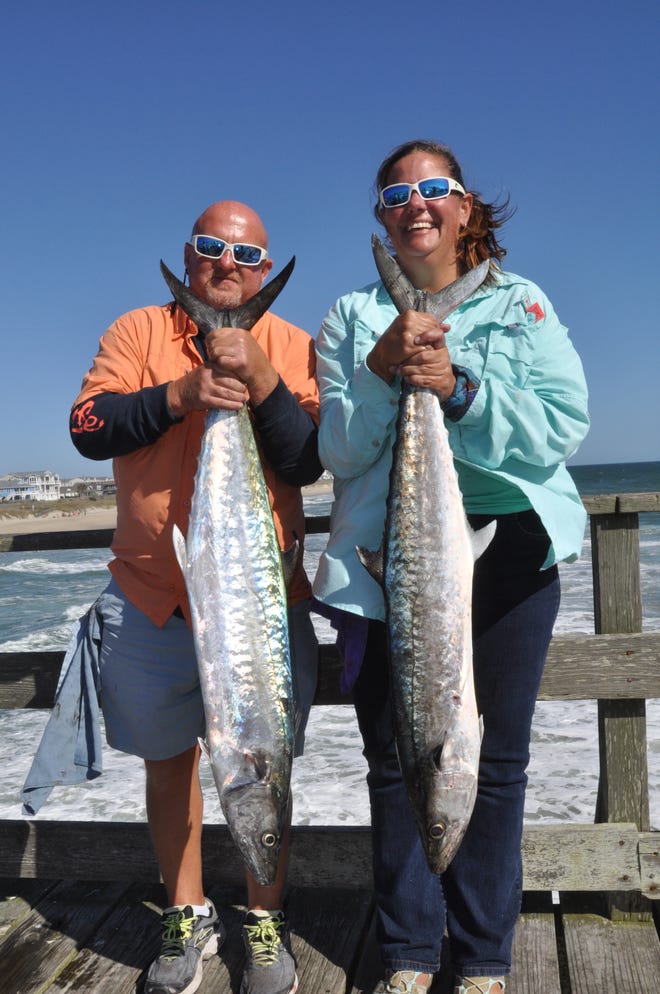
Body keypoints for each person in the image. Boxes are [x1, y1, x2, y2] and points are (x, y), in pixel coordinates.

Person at [313, 140, 589, 994]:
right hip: (390, 562)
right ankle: (406, 953)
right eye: (397, 194)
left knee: (494, 763)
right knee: (395, 761)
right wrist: (382, 367)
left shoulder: (521, 301)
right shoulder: (352, 316)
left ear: (464, 207)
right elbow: (338, 448)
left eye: (435, 189)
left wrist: (462, 393)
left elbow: (561, 425)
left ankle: (481, 958)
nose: (417, 204)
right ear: (382, 217)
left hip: (506, 553)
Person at [70, 200, 322, 994]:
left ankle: (265, 920)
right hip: (151, 600)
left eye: (247, 255)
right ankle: (186, 915)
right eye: (212, 248)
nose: (228, 265)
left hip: (259, 607)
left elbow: (308, 458)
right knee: (167, 765)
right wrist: (183, 396)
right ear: (189, 255)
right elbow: (88, 425)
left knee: (266, 763)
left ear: (262, 267)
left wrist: (259, 379)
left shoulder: (289, 342)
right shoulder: (138, 332)